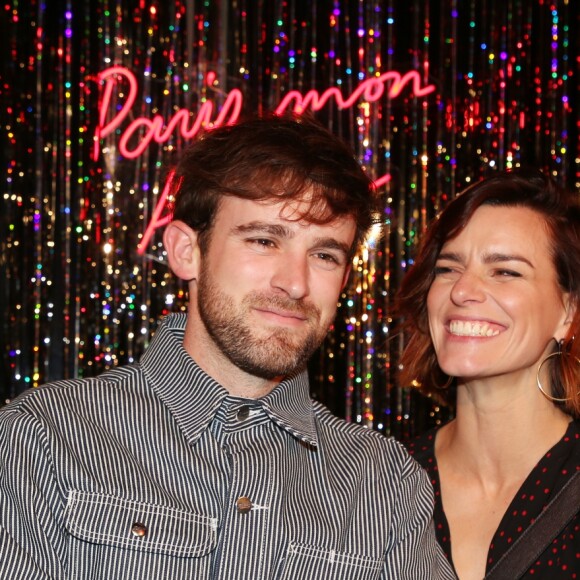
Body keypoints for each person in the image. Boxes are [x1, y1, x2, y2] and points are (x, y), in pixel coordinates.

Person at [0, 114, 454, 579]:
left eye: (323, 255)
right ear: (185, 251)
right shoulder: (47, 437)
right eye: (263, 240)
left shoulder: (383, 484)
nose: (295, 283)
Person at [397, 168, 580, 580]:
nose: (462, 290)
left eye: (506, 271)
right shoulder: (380, 480)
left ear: (567, 312)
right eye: (447, 268)